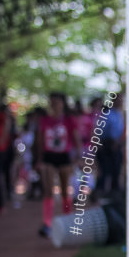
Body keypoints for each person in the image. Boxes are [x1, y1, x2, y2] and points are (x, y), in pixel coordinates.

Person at [35, 92, 81, 236]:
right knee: (48, 190)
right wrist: (39, 159)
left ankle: (67, 221)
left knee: (64, 190)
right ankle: (47, 223)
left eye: (56, 102)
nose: (53, 105)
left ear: (62, 103)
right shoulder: (45, 120)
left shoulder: (69, 120)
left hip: (64, 156)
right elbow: (40, 140)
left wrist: (78, 156)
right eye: (51, 102)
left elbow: (76, 138)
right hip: (49, 156)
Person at [97, 91, 125, 200]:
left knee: (116, 171)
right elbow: (99, 131)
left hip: (116, 146)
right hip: (106, 146)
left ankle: (114, 194)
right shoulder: (106, 114)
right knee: (104, 171)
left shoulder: (119, 114)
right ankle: (100, 194)